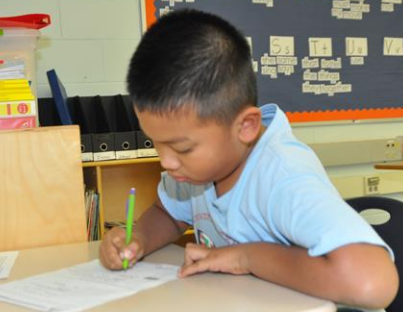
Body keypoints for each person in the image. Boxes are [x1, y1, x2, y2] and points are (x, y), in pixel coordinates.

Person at [99, 9, 398, 310]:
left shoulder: (284, 176)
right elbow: (168, 214)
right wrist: (137, 237)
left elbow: (373, 282)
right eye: (155, 144)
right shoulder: (195, 172)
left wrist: (247, 257)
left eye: (182, 148)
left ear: (245, 127)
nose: (167, 162)